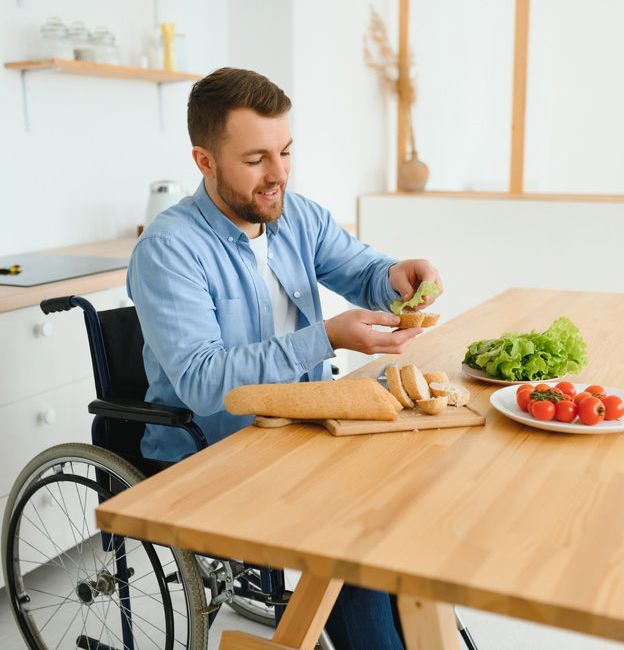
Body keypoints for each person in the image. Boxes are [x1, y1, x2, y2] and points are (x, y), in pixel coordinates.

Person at [127, 67, 442, 650]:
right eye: (255, 160)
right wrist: (327, 337)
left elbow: (365, 271)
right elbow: (201, 382)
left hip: (300, 434)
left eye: (286, 151)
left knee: (407, 505)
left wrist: (395, 277)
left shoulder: (296, 215)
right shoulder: (168, 249)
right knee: (352, 536)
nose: (278, 175)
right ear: (204, 161)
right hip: (210, 452)